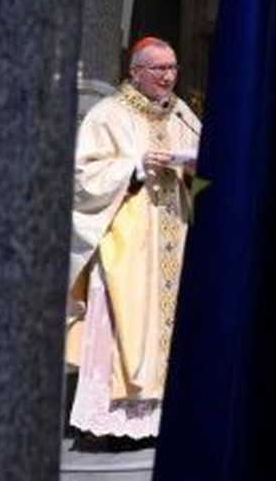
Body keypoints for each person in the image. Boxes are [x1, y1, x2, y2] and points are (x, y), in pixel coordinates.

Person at [65, 36, 201, 447]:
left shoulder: (182, 113)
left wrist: (194, 167)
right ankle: (113, 424)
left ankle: (166, 418)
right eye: (158, 68)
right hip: (127, 242)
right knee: (124, 321)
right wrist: (135, 167)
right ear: (135, 71)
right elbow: (81, 177)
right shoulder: (108, 114)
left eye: (172, 67)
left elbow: (211, 174)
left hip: (175, 234)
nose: (168, 76)